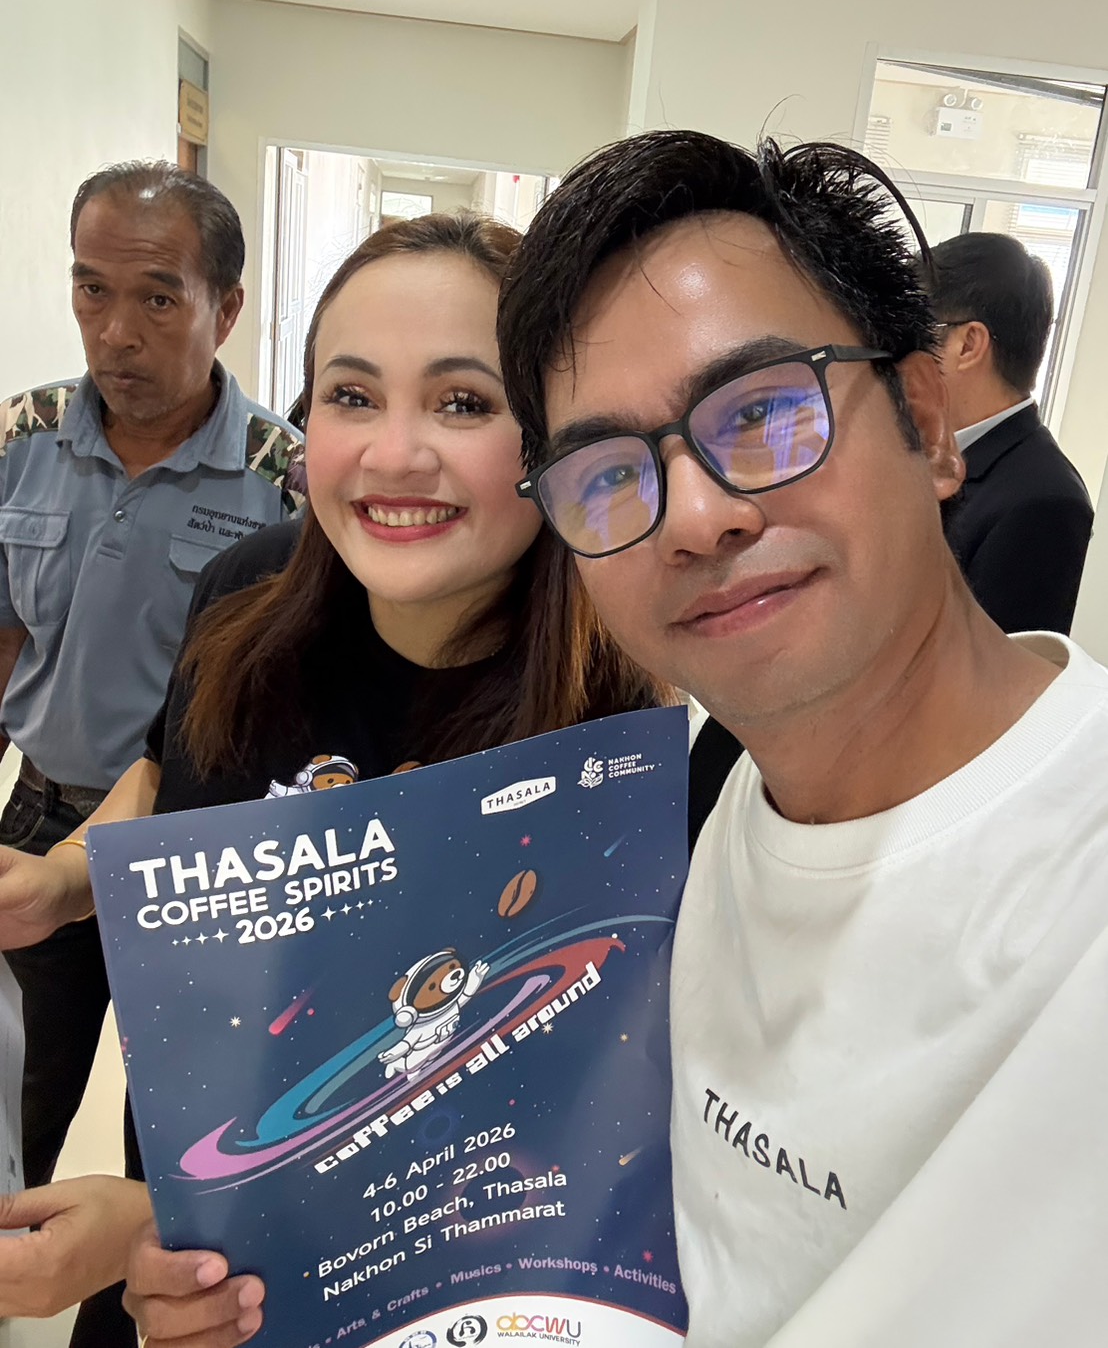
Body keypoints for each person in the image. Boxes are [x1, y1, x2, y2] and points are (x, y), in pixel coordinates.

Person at [492, 131, 1108, 1345]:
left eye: (764, 411)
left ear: (927, 421)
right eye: (608, 474)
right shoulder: (727, 814)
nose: (696, 517)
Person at [0, 210, 662, 1339]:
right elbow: (165, 771)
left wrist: (152, 1221)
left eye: (463, 402)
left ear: (551, 436)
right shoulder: (247, 593)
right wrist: (62, 879)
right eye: (352, 395)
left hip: (381, 1286)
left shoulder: (609, 719)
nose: (393, 455)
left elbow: (538, 1135)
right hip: (173, 1200)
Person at [0, 160, 303, 1271]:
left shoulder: (286, 479)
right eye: (92, 289)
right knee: (18, 1103)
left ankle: (119, 1323)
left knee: (173, 1139)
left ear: (226, 308)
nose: (116, 332)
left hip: (197, 851)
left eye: (158, 298)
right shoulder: (22, 436)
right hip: (38, 819)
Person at [921, 231, 1093, 633]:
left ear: (968, 345)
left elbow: (994, 661)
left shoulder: (1045, 504)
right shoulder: (927, 454)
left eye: (911, 335)